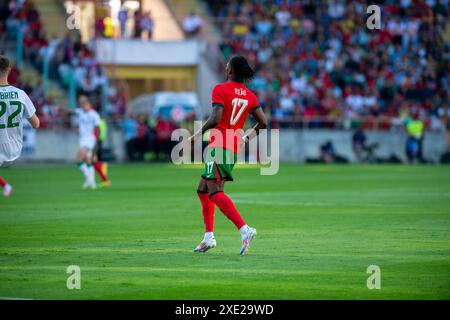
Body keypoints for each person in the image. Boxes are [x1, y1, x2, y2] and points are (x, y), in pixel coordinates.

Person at [188, 56, 268, 256]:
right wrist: (246, 138)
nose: (225, 68)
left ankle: (245, 229)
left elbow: (215, 117)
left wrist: (198, 133)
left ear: (231, 70)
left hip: (218, 145)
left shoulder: (220, 89)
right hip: (231, 147)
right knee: (203, 188)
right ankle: (208, 237)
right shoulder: (250, 96)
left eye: (227, 66)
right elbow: (263, 123)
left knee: (215, 191)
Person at [0, 55, 40, 197]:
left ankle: (6, 186)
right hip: (15, 150)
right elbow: (36, 124)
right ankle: (6, 186)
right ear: (9, 70)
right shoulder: (20, 94)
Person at [75, 96, 102, 189]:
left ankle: (89, 179)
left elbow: (98, 129)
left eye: (85, 104)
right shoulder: (80, 112)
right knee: (88, 160)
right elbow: (71, 112)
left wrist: (96, 142)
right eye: (82, 104)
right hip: (82, 139)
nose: (83, 106)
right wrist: (62, 108)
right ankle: (92, 183)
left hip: (89, 139)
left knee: (78, 159)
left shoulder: (94, 115)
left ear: (88, 105)